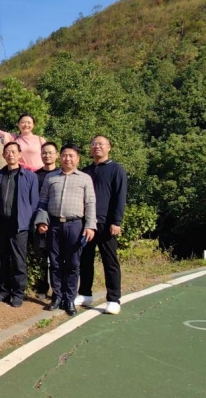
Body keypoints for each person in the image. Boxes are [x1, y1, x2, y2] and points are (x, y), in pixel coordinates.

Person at [34, 144, 96, 316]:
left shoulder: (85, 178)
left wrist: (90, 226)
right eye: (64, 155)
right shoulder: (51, 177)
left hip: (75, 225)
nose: (67, 158)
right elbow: (42, 201)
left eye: (71, 155)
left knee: (73, 263)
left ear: (78, 159)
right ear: (60, 157)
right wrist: (41, 221)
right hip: (53, 224)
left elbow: (90, 203)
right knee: (54, 262)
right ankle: (57, 296)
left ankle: (70, 298)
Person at [77, 135, 128, 315]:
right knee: (85, 260)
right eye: (93, 144)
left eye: (101, 144)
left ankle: (113, 299)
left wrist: (116, 221)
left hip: (106, 224)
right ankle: (85, 294)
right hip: (87, 224)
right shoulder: (85, 171)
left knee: (110, 261)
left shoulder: (116, 169)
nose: (97, 147)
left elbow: (120, 196)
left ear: (109, 147)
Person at [0, 142, 40, 307]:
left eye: (13, 151)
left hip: (19, 225)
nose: (10, 154)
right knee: (2, 258)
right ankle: (4, 290)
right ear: (3, 155)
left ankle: (18, 293)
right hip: (0, 223)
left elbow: (34, 202)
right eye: (7, 151)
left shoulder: (29, 176)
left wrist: (30, 223)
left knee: (18, 260)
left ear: (20, 154)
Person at [31, 142, 62, 299]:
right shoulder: (35, 176)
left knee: (58, 257)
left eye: (50, 153)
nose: (47, 155)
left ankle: (59, 290)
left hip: (58, 221)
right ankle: (42, 288)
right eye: (44, 153)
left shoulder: (62, 174)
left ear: (57, 155)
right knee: (41, 256)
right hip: (40, 221)